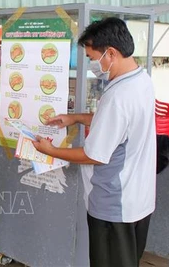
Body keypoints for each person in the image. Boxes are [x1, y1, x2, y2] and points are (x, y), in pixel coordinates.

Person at [32, 17, 156, 267]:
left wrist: (52, 151)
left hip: (114, 206)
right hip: (139, 200)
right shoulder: (141, 80)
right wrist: (75, 118)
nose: (91, 65)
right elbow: (118, 125)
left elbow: (95, 155)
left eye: (91, 57)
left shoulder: (118, 96)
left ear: (110, 53)